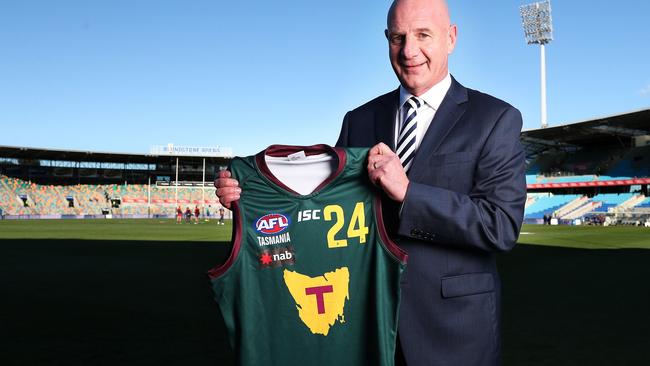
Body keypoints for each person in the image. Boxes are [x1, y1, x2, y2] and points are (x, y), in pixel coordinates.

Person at [215, 0, 526, 365]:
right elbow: (321, 204)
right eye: (398, 37)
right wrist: (248, 192)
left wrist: (409, 193)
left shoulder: (494, 118)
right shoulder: (359, 120)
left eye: (423, 35)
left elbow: (500, 226)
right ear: (387, 40)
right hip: (363, 320)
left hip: (453, 328)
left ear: (451, 38)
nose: (409, 50)